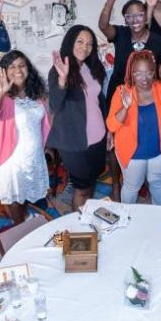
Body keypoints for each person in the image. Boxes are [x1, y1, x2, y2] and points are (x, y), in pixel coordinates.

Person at [0, 51, 50, 223]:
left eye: (22, 65)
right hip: (8, 158)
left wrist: (46, 146)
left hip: (32, 156)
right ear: (3, 71)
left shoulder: (35, 89)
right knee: (14, 196)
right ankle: (20, 226)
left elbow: (43, 121)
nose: (18, 70)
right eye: (12, 67)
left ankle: (22, 217)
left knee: (22, 193)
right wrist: (0, 94)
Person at [106, 50, 161, 205]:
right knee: (131, 188)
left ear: (154, 72)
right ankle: (127, 217)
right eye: (139, 73)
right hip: (132, 155)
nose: (144, 78)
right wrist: (125, 108)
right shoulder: (121, 92)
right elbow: (111, 126)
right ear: (132, 74)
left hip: (160, 153)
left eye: (149, 73)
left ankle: (159, 216)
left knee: (158, 184)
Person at [45, 25, 108, 212]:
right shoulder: (58, 70)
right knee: (82, 188)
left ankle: (87, 216)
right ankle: (79, 228)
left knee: (91, 181)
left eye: (89, 43)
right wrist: (63, 80)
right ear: (70, 42)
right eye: (80, 41)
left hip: (98, 136)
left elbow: (99, 99)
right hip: (74, 141)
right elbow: (55, 103)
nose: (84, 47)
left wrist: (109, 129)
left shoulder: (91, 66)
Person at [97, 0, 161, 99]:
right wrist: (110, 0)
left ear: (146, 18)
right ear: (125, 20)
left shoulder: (158, 42)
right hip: (119, 93)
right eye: (130, 17)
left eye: (139, 15)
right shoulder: (121, 34)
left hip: (147, 95)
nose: (135, 20)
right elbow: (103, 26)